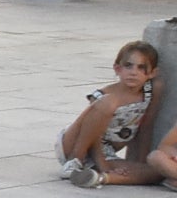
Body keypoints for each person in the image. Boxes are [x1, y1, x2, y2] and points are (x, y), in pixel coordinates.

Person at [62, 39, 163, 187]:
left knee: (156, 173)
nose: (133, 72)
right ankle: (75, 162)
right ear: (117, 69)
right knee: (107, 102)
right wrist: (101, 162)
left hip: (106, 151)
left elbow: (146, 127)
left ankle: (98, 178)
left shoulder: (151, 91)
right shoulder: (104, 95)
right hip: (78, 142)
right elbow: (94, 133)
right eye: (128, 66)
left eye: (141, 67)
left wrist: (140, 164)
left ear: (152, 73)